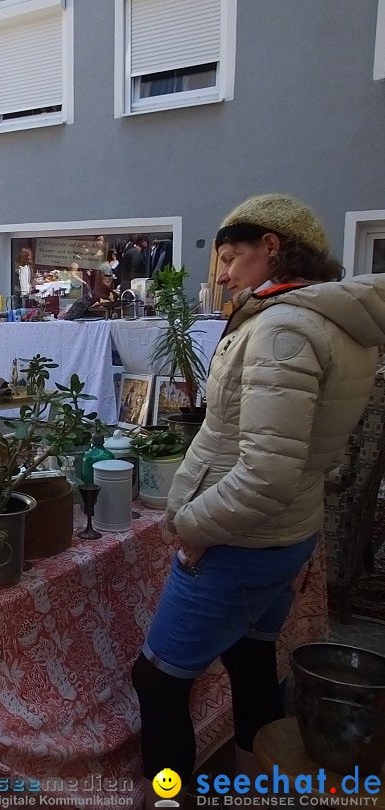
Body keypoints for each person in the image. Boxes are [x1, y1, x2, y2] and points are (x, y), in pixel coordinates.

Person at [132, 194, 385, 804]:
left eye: (229, 256)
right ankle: (251, 790)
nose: (220, 274)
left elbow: (266, 473)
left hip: (241, 539)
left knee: (159, 682)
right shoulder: (325, 318)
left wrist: (192, 527)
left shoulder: (283, 328)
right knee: (250, 663)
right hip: (284, 532)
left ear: (270, 246)